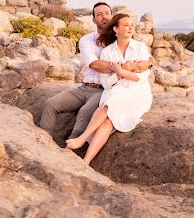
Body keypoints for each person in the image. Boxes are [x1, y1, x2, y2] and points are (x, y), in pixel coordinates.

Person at [39, 2, 152, 142]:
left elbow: (144, 56)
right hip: (84, 87)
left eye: (107, 13)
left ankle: (70, 149)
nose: (104, 17)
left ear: (112, 17)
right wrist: (122, 67)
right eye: (99, 15)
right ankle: (43, 141)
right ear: (93, 20)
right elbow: (95, 64)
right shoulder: (86, 40)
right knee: (50, 104)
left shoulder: (122, 38)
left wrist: (149, 63)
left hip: (103, 89)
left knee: (85, 112)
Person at [65, 13, 153, 164]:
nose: (130, 27)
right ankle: (86, 161)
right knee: (108, 122)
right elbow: (106, 83)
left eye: (132, 25)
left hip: (137, 95)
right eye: (126, 25)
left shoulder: (140, 48)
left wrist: (120, 72)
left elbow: (141, 77)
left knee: (115, 94)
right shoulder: (107, 52)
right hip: (115, 93)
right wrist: (121, 75)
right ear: (115, 29)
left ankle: (82, 138)